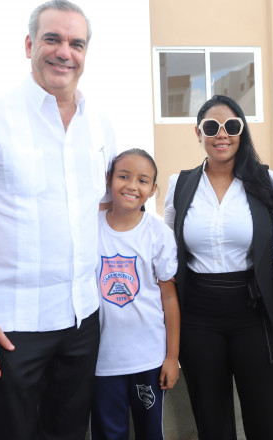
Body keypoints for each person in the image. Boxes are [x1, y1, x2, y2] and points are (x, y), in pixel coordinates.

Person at [0, 0, 116, 440]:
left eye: (76, 43)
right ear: (30, 45)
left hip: (82, 321)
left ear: (85, 54)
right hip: (10, 328)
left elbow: (102, 210)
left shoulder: (100, 126)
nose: (64, 52)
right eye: (52, 39)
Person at [163, 95, 273, 440]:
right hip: (198, 317)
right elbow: (166, 258)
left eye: (231, 126)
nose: (222, 134)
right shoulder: (179, 185)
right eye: (211, 127)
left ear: (242, 131)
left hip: (255, 314)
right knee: (211, 420)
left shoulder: (271, 182)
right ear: (198, 132)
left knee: (270, 418)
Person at [91, 148, 180, 440]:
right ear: (109, 179)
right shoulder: (90, 229)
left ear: (153, 190)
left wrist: (172, 357)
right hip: (102, 362)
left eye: (143, 180)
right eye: (124, 176)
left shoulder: (158, 233)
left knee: (150, 433)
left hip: (149, 359)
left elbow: (169, 298)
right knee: (108, 434)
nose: (132, 186)